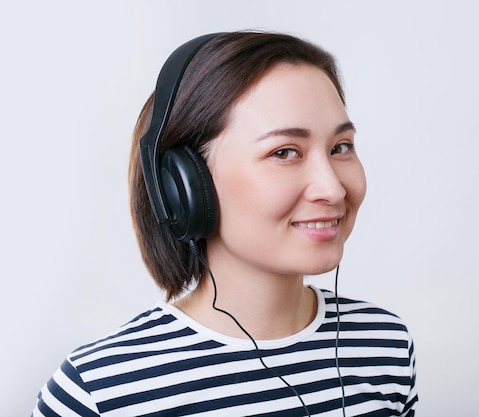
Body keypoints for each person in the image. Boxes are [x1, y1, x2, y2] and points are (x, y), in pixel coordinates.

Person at [32, 31, 418, 416]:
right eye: (284, 152)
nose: (332, 189)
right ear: (184, 185)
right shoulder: (99, 390)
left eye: (341, 148)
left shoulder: (385, 345)